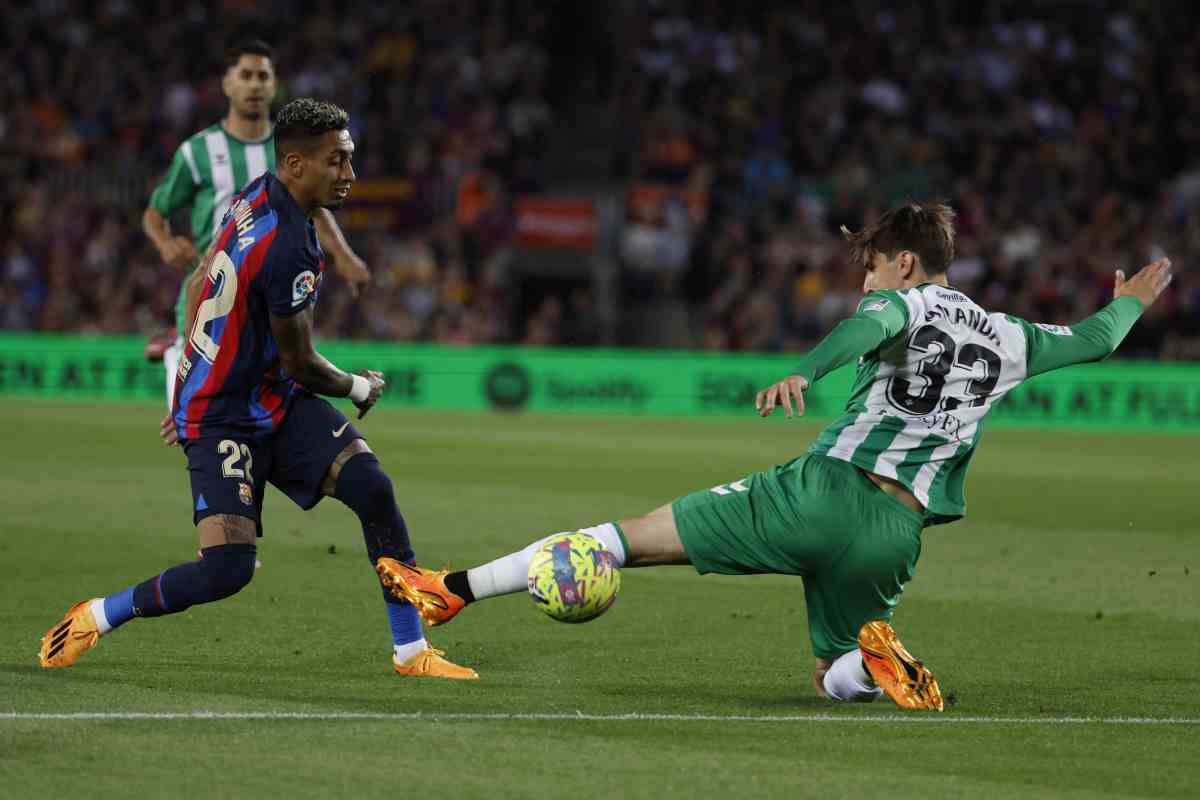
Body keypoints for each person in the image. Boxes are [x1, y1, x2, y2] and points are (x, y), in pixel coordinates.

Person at [375, 202, 1173, 708]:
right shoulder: (1008, 335)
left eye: (870, 267)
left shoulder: (901, 302)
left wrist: (806, 371)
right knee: (833, 674)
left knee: (624, 539)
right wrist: (1130, 302)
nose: (865, 283)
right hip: (897, 532)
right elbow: (1096, 339)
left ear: (902, 262)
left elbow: (868, 326)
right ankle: (876, 664)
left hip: (824, 491)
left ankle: (450, 591)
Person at [40, 99, 477, 680]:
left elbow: (202, 279)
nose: (349, 174)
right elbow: (302, 363)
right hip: (222, 416)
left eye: (349, 159)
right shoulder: (289, 245)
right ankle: (98, 615)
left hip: (268, 397)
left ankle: (410, 649)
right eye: (336, 161)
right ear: (295, 164)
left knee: (372, 487)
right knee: (227, 570)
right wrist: (357, 387)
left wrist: (189, 365)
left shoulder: (255, 195)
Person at [142, 37, 370, 410]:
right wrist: (166, 243)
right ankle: (178, 345)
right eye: (245, 75)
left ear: (274, 84)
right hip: (211, 300)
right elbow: (155, 212)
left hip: (268, 305)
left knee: (262, 421)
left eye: (263, 76)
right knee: (197, 423)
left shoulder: (291, 149)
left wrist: (344, 255)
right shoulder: (198, 151)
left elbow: (314, 208)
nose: (254, 85)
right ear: (227, 83)